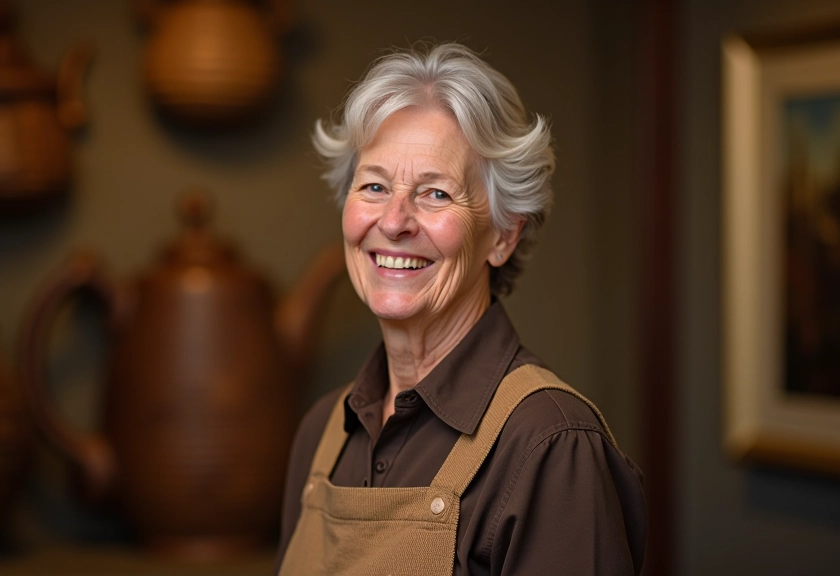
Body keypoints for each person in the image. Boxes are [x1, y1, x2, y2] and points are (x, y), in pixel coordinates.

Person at [275, 43, 646, 575]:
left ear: (502, 236)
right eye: (374, 185)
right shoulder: (321, 432)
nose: (395, 220)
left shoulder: (553, 446)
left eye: (436, 194)